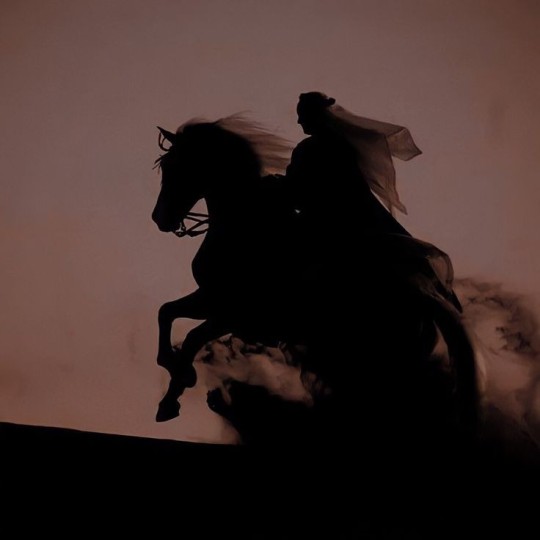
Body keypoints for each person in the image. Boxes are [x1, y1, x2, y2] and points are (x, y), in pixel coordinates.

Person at [285, 91, 420, 256]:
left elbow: (298, 189)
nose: (299, 121)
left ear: (313, 115)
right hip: (357, 216)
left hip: (326, 222)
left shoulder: (309, 148)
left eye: (302, 115)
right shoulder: (343, 143)